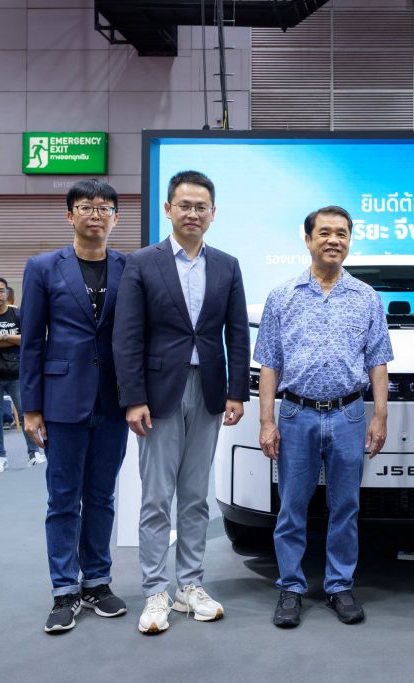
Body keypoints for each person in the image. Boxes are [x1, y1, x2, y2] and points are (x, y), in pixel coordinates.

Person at [114, 170, 250, 635]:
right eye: (185, 205)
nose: (193, 213)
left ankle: (190, 585)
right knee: (156, 498)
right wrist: (133, 398)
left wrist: (236, 392)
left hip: (209, 392)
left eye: (201, 207)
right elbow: (127, 336)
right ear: (168, 209)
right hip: (157, 395)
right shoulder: (142, 263)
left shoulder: (227, 265)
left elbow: (236, 333)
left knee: (195, 497)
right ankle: (156, 590)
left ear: (213, 213)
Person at [255, 206, 393, 629]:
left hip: (349, 414)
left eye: (342, 234)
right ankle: (291, 587)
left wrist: (380, 416)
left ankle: (339, 585)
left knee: (345, 506)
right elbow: (269, 363)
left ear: (350, 240)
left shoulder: (366, 297)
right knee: (292, 506)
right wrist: (266, 421)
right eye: (325, 233)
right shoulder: (282, 296)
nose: (334, 240)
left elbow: (378, 361)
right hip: (296, 414)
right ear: (308, 238)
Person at [20, 179, 130, 634]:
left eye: (104, 208)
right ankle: (64, 589)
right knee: (63, 498)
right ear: (70, 216)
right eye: (86, 207)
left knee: (102, 496)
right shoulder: (43, 267)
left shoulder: (128, 266)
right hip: (61, 399)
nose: (95, 214)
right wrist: (31, 408)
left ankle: (97, 582)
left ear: (115, 218)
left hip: (114, 400)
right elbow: (31, 340)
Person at [0, 276, 42, 471]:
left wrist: (1, 336)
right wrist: (15, 339)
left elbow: (29, 339)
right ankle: (0, 456)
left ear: (7, 292)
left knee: (25, 412)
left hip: (19, 372)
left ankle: (34, 453)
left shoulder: (19, 314)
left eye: (1, 290)